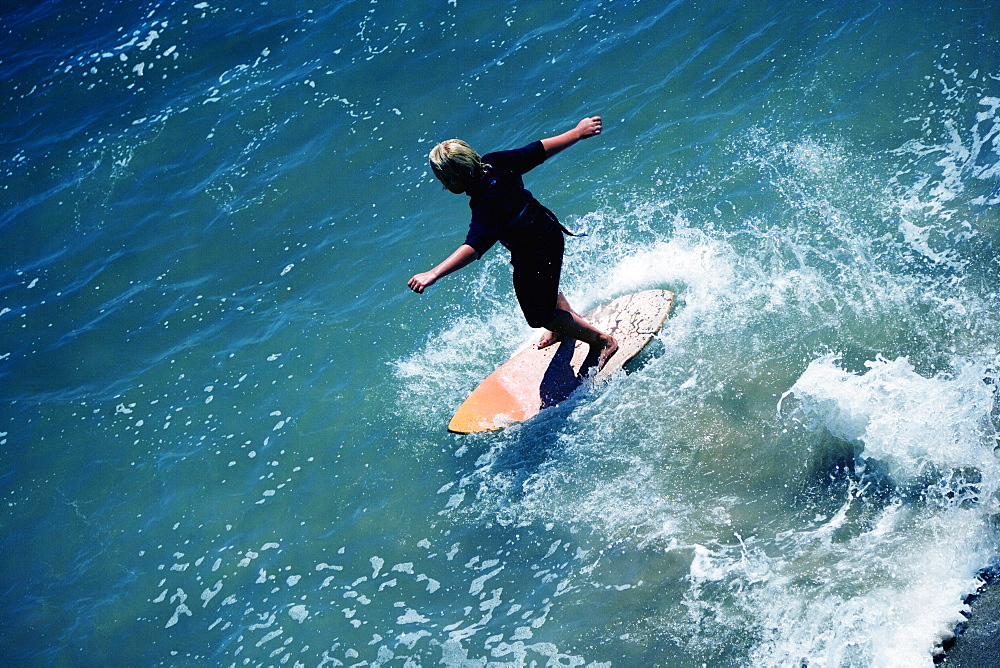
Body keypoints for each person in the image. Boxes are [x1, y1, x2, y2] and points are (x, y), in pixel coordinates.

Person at [407, 116, 618, 368]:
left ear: (453, 180)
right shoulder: (495, 162)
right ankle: (565, 326)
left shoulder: (486, 204)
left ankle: (602, 340)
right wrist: (576, 133)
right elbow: (536, 152)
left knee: (539, 315)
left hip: (537, 248)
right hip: (545, 234)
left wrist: (434, 273)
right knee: (540, 288)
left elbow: (473, 247)